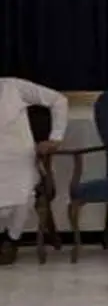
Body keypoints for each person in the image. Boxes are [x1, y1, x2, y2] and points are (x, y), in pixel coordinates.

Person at [0, 78, 67, 266]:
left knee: (25, 193)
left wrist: (55, 138)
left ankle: (12, 239)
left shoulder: (14, 87)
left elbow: (59, 100)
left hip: (21, 160)